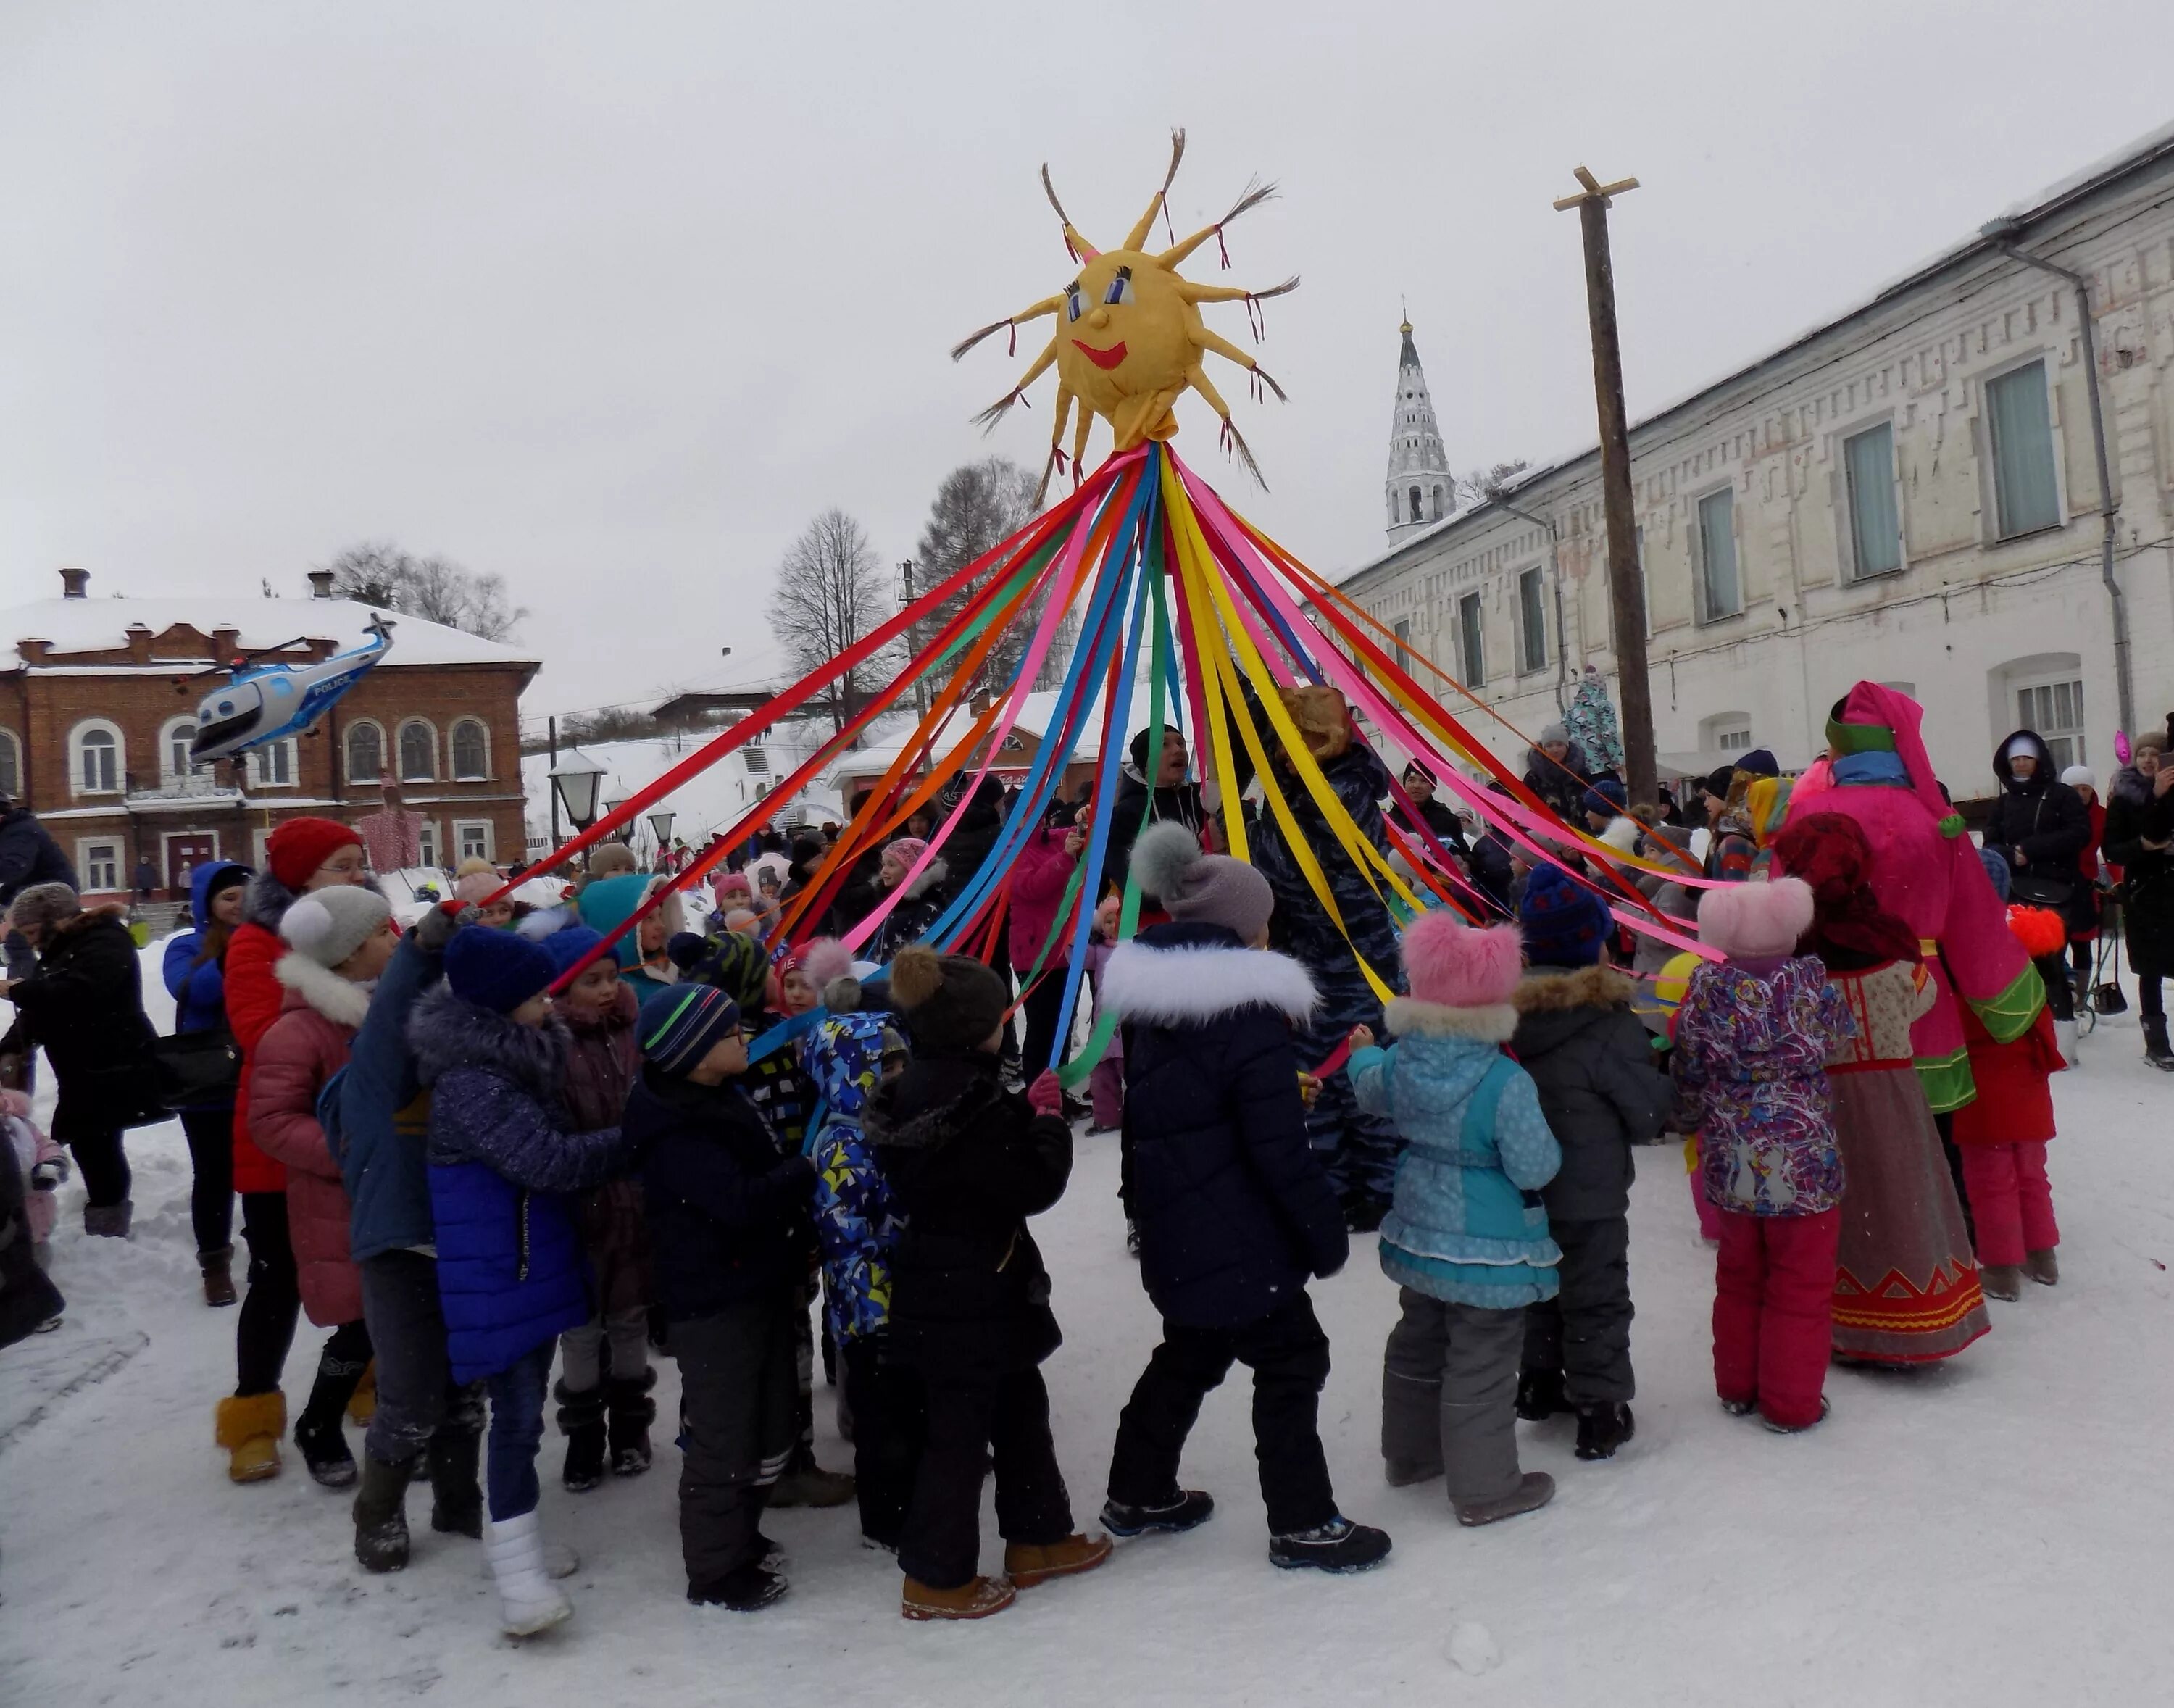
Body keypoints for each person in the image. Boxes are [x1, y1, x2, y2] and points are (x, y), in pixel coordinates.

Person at [1099, 823, 1388, 1573]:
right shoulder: (1248, 1008)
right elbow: (1276, 1147)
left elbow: (1166, 1110)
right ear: (1242, 924)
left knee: (1190, 1348)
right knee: (1292, 1359)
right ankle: (1302, 1521)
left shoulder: (1152, 999)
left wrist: (1143, 1208)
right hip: (1242, 1232)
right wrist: (1321, 1231)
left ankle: (1136, 1490)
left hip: (1179, 1222)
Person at [866, 944, 1109, 1621]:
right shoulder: (972, 1104)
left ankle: (1038, 1536)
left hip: (954, 1286)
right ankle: (936, 1576)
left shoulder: (921, 1088)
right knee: (960, 1434)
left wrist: (1022, 1116)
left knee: (1017, 1405)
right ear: (978, 1029)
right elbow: (1030, 1185)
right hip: (975, 1289)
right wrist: (1049, 1125)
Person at [410, 926, 638, 1637]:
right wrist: (641, 1137)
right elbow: (546, 1162)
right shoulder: (474, 1081)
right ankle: (517, 1580)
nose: (551, 1002)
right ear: (503, 1004)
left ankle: (518, 1540)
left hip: (523, 1264)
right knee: (514, 1420)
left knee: (523, 1413)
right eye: (540, 993)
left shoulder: (510, 1062)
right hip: (499, 1274)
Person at [1350, 912, 1562, 1528]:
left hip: (1421, 1228)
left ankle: (1412, 1454)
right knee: (1484, 1354)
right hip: (1489, 1246)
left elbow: (1370, 1090)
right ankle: (1486, 1486)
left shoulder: (1402, 1061)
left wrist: (1362, 1057)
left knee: (1420, 1338)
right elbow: (1535, 1166)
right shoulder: (1504, 1080)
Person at [1770, 815, 1988, 1365]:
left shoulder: (1794, 953)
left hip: (1824, 1100)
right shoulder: (1891, 941)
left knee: (1847, 1203)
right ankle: (1917, 1320)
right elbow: (1924, 998)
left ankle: (1852, 1322)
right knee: (1902, 1193)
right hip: (1893, 1091)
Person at [630, 982, 817, 1609]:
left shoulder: (716, 1097)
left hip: (750, 1284)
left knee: (765, 1420)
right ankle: (713, 1571)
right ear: (693, 1053)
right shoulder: (678, 1129)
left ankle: (740, 1536)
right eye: (730, 1032)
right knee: (723, 1434)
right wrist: (804, 1170)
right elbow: (737, 1201)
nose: (744, 1038)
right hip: (714, 1302)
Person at [1783, 684, 2043, 1120]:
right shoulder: (1936, 818)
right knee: (1929, 1133)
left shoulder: (1809, 816)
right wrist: (2002, 994)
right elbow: (1973, 916)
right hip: (1923, 990)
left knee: (1854, 1129)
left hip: (1833, 994)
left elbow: (1784, 917)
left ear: (1842, 746)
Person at [334, 901, 485, 1573]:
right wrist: (421, 950)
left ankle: (457, 1498)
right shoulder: (373, 1080)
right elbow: (393, 1020)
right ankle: (378, 1507)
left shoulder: (454, 1072)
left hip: (457, 1241)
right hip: (398, 1247)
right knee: (412, 1391)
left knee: (464, 1385)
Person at [1672, 878, 1853, 1433]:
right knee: (1801, 1283)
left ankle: (1737, 1385)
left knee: (1740, 1273)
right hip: (1804, 1159)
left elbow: (1687, 1068)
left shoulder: (1704, 990)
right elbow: (1842, 1041)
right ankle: (1792, 1402)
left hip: (1733, 1155)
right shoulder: (1814, 985)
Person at [224, 819, 375, 1473]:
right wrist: (351, 1004)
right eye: (341, 865)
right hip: (281, 1144)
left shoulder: (368, 932)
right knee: (278, 1279)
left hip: (361, 1139)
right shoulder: (258, 944)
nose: (356, 875)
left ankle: (359, 1381)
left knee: (363, 1268)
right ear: (301, 879)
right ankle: (254, 1413)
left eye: (358, 862)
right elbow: (263, 1033)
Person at [1508, 865, 1667, 1460]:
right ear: (1590, 943)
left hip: (1520, 1189)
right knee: (1595, 1294)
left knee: (1538, 1285)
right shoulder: (1607, 1024)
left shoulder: (1502, 1017)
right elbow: (1646, 1113)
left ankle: (1539, 1379)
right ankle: (1601, 1409)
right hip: (1591, 1194)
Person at [1251, 686, 1403, 1230]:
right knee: (1316, 1078)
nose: (1282, 753)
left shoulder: (1342, 793)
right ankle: (1336, 1187)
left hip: (1354, 964)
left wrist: (1253, 837)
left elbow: (1297, 875)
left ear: (1322, 739)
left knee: (1360, 1076)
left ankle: (1380, 1189)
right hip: (1313, 962)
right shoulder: (1301, 791)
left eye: (1295, 741)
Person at [799, 959, 923, 1556]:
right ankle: (886, 1519)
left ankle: (909, 1496)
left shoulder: (877, 1127)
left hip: (897, 1299)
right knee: (883, 1422)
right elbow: (847, 1238)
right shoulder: (843, 1143)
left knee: (904, 1407)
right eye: (886, 1065)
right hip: (869, 1308)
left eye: (901, 1061)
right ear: (852, 1074)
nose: (899, 1073)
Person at [541, 924, 653, 1491]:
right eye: (592, 981)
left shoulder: (634, 1031)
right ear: (564, 988)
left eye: (612, 977)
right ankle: (583, 1436)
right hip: (580, 1201)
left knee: (631, 1316)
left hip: (634, 1197)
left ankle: (632, 1428)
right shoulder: (551, 1044)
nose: (608, 989)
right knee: (582, 1327)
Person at [0, 883, 160, 1237]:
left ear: (55, 920)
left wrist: (17, 989)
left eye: (30, 932)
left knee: (99, 1143)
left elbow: (79, 992)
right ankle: (106, 1216)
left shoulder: (106, 939)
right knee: (91, 1143)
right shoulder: (60, 951)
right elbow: (39, 1013)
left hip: (114, 1062)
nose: (29, 942)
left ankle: (108, 1221)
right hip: (83, 1069)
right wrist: (7, 1047)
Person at [1954, 867, 2065, 1300]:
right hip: (2028, 1087)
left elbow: (1963, 1025)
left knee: (1989, 1180)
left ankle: (2000, 1269)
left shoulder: (1971, 955)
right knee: (2032, 1175)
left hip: (1985, 1088)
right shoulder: (2031, 953)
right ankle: (2042, 1257)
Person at [163, 858, 253, 1304]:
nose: (239, 904)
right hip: (210, 1080)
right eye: (228, 897)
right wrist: (241, 950)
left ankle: (267, 1253)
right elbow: (193, 990)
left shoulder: (272, 940)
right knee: (214, 1174)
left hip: (261, 1074)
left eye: (246, 895)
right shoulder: (185, 946)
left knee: (263, 1171)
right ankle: (214, 1264)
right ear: (207, 904)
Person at [1983, 730, 2091, 1059]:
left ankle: (2063, 1038)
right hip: (2014, 891)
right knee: (2017, 964)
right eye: (2016, 759)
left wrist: (2029, 851)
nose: (2021, 764)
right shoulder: (2004, 802)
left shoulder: (2061, 796)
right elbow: (1990, 840)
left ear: (2038, 760)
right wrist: (2010, 854)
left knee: (2052, 963)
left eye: (2027, 758)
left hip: (2054, 891)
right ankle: (2027, 1031)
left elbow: (2078, 833)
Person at [2104, 728, 2174, 1067]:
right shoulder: (2123, 796)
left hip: (2173, 887)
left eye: (2155, 754)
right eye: (2142, 753)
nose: (2148, 760)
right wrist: (2143, 847)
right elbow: (2112, 849)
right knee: (2150, 969)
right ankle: (2156, 1043)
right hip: (2145, 892)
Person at [1009, 801, 1083, 1083]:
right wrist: (1064, 858)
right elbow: (1030, 887)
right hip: (1034, 954)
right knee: (1042, 1028)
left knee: (1062, 1026)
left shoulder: (1053, 839)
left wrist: (1084, 818)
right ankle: (1036, 1093)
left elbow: (1080, 833)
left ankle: (1057, 1090)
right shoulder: (1012, 850)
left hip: (1064, 951)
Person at [1106, 725, 1212, 912]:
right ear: (1145, 763)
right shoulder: (1125, 814)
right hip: (1156, 926)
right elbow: (1134, 887)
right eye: (1164, 745)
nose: (1178, 750)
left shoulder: (1202, 798)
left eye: (1181, 743)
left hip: (1210, 914)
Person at [1, 1088, 66, 1344]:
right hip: (6, 1218)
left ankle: (35, 1310)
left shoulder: (17, 1123)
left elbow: (45, 1146)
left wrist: (53, 1164)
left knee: (37, 1261)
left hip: (35, 1211)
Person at [0, 791, 77, 983]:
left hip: (54, 895)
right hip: (34, 890)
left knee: (20, 937)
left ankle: (23, 986)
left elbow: (14, 868)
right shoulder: (10, 830)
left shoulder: (20, 832)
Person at [578, 871, 686, 999]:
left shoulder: (674, 969)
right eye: (649, 918)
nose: (661, 925)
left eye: (660, 916)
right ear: (618, 923)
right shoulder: (614, 995)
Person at [1080, 893, 1127, 1133]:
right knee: (1102, 1073)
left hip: (1125, 1019)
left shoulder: (1132, 949)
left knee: (1129, 1068)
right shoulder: (1097, 950)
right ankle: (1108, 1116)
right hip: (1102, 1021)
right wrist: (1075, 940)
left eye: (1118, 920)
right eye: (1108, 921)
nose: (1114, 925)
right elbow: (1080, 958)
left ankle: (1144, 1113)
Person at [866, 837, 949, 966]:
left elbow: (920, 958)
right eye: (884, 864)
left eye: (892, 865)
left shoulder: (927, 908)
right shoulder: (888, 904)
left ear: (913, 869)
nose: (884, 871)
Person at [2064, 763, 2107, 995]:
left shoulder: (2101, 815)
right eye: (2075, 789)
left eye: (2085, 789)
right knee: (2053, 944)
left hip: (2086, 884)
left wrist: (2118, 882)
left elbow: (2110, 853)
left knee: (2082, 943)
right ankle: (2058, 996)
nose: (2080, 794)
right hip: (2057, 884)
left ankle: (2080, 998)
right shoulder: (2055, 812)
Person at [1400, 762, 1470, 860]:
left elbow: (1465, 855)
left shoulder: (1447, 821)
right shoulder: (1392, 819)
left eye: (1424, 781)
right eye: (1411, 780)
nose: (1416, 786)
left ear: (1433, 787)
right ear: (1404, 785)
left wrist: (1465, 863)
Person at [1523, 724, 1591, 823]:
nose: (1555, 750)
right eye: (1549, 746)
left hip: (1581, 831)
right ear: (1543, 749)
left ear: (1567, 747)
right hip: (1547, 831)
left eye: (1560, 745)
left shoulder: (1581, 773)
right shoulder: (1533, 777)